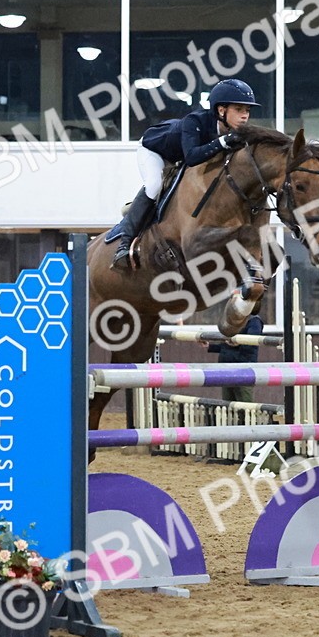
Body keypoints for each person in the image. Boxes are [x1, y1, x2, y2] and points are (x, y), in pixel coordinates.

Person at [113, 79, 261, 268]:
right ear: (221, 110)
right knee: (154, 184)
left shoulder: (233, 133)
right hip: (155, 150)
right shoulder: (195, 121)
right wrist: (224, 141)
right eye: (239, 109)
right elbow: (191, 157)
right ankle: (124, 243)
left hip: (181, 156)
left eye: (247, 111)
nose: (245, 116)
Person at [206, 312, 264, 404]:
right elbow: (226, 346)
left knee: (245, 406)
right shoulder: (235, 320)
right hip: (227, 369)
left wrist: (236, 343)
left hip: (243, 370)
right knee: (228, 405)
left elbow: (250, 345)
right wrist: (210, 346)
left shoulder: (254, 321)